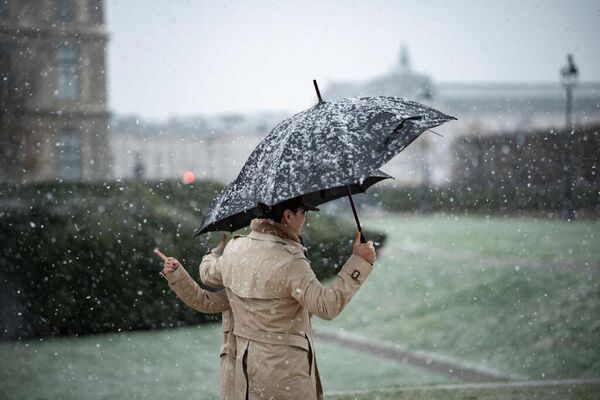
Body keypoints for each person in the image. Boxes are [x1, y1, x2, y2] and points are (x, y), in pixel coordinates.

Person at [199, 196, 376, 400]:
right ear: (289, 216)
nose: (305, 219)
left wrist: (214, 253)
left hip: (244, 369)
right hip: (285, 374)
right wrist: (359, 263)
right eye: (304, 213)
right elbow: (326, 306)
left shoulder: (235, 249)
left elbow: (207, 274)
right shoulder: (291, 259)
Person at [154, 248, 236, 399]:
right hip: (239, 379)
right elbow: (204, 300)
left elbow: (204, 299)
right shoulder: (242, 264)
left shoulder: (291, 260)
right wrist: (176, 273)